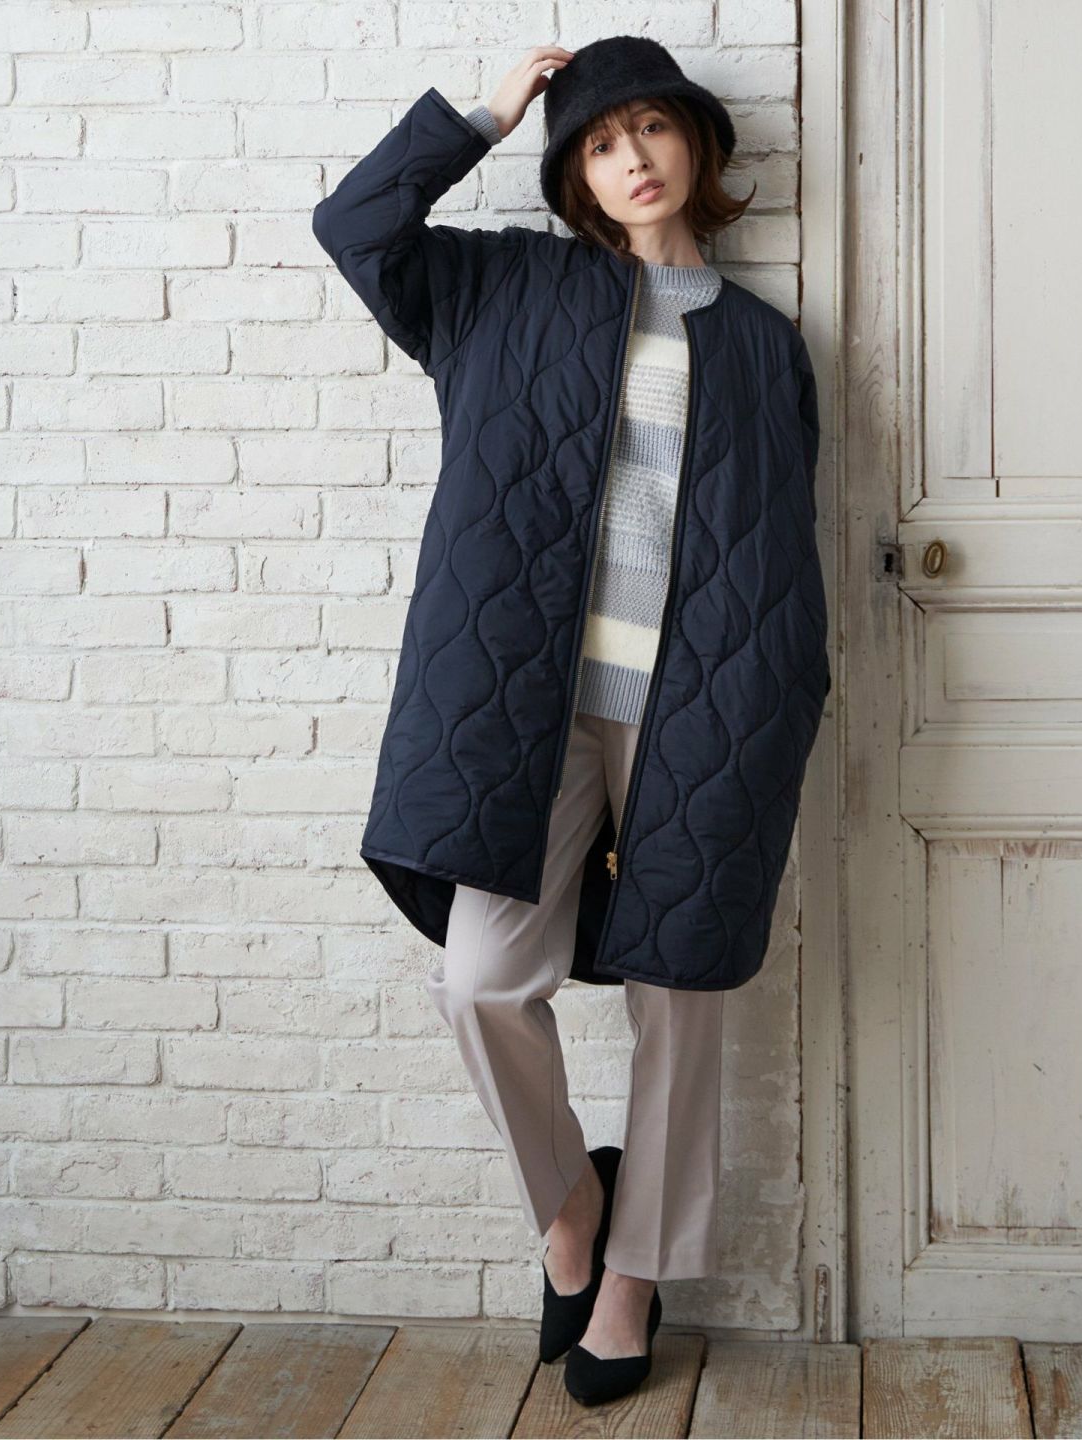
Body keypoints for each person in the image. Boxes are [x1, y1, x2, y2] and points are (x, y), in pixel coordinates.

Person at [311, 36, 827, 1408]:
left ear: (697, 149)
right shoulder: (502, 290)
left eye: (653, 129)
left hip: (699, 715)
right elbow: (355, 226)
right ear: (574, 177)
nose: (634, 158)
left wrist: (779, 699)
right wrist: (485, 115)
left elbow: (784, 555)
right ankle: (573, 1211)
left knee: (683, 997)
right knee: (482, 982)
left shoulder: (764, 347)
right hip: (531, 709)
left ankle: (638, 1276)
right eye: (602, 143)